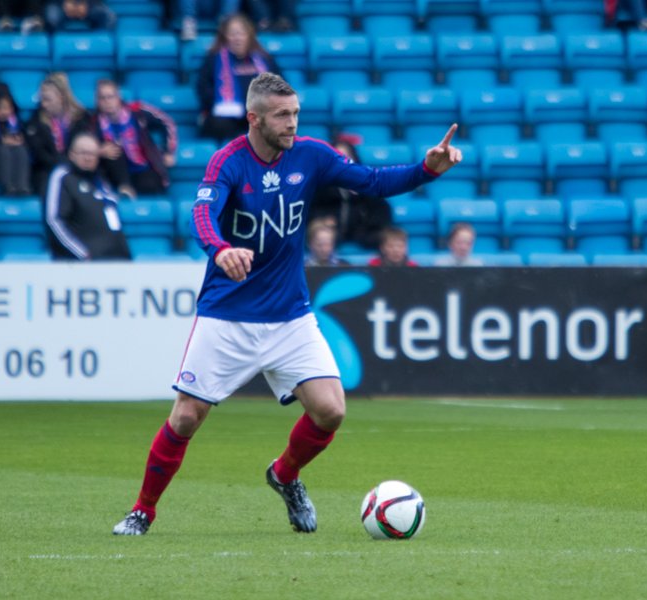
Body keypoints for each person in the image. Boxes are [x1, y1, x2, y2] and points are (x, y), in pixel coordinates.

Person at [111, 72, 461, 536]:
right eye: (282, 115)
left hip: (290, 315)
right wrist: (221, 248)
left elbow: (371, 181)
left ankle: (285, 475)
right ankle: (143, 511)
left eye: (295, 113)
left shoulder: (310, 155)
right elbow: (202, 214)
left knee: (331, 410)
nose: (292, 123)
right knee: (186, 416)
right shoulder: (227, 162)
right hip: (227, 315)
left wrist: (426, 169)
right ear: (254, 118)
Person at [45, 132, 132, 261]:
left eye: (92, 154)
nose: (88, 158)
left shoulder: (101, 181)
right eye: (83, 153)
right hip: (82, 264)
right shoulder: (63, 176)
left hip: (116, 258)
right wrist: (83, 254)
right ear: (71, 154)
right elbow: (54, 220)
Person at [196, 13, 280, 144]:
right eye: (232, 34)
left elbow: (280, 86)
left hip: (257, 115)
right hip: (225, 118)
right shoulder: (213, 59)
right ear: (225, 37)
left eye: (241, 33)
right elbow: (203, 88)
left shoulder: (265, 59)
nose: (237, 38)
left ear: (249, 36)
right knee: (222, 124)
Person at [91, 79, 178, 198]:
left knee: (150, 185)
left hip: (143, 170)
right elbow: (82, 146)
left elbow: (167, 123)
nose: (107, 102)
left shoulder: (138, 111)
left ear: (118, 97)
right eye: (102, 98)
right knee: (112, 148)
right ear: (97, 101)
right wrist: (99, 151)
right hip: (114, 174)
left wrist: (169, 151)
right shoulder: (92, 123)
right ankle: (124, 187)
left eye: (110, 97)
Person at [310, 134, 392, 250]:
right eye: (338, 156)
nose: (342, 161)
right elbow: (311, 209)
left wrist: (368, 223)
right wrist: (323, 219)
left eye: (347, 156)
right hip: (331, 233)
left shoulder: (366, 180)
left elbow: (381, 209)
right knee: (322, 235)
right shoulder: (321, 184)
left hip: (363, 234)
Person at [25, 72, 92, 195]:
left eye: (47, 100)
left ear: (61, 97)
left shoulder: (82, 119)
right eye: (42, 99)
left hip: (78, 169)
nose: (44, 104)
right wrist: (63, 165)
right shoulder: (36, 121)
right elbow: (39, 153)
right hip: (48, 171)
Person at [44, 0, 116, 32]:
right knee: (51, 17)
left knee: (110, 17)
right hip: (60, 6)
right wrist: (63, 2)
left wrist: (87, 4)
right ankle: (59, 43)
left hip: (88, 5)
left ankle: (98, 43)